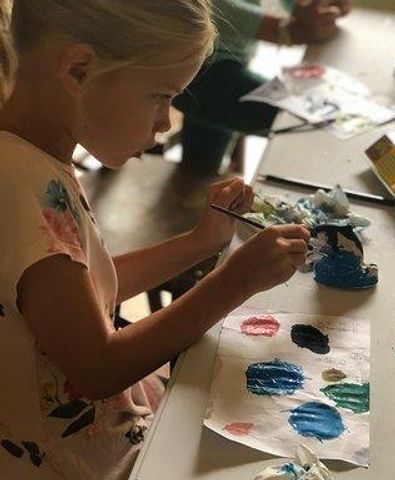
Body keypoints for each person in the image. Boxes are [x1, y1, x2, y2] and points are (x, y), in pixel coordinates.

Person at [0, 1, 311, 479]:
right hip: (81, 465)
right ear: (79, 69)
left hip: (104, 431)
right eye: (161, 96)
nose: (166, 122)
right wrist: (234, 281)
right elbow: (97, 369)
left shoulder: (33, 155)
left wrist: (201, 241)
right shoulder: (17, 181)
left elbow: (82, 292)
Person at [172, 0, 353, 175]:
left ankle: (194, 180)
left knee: (199, 165)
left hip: (220, 57)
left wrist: (309, 5)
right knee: (299, 120)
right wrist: (283, 28)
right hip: (195, 68)